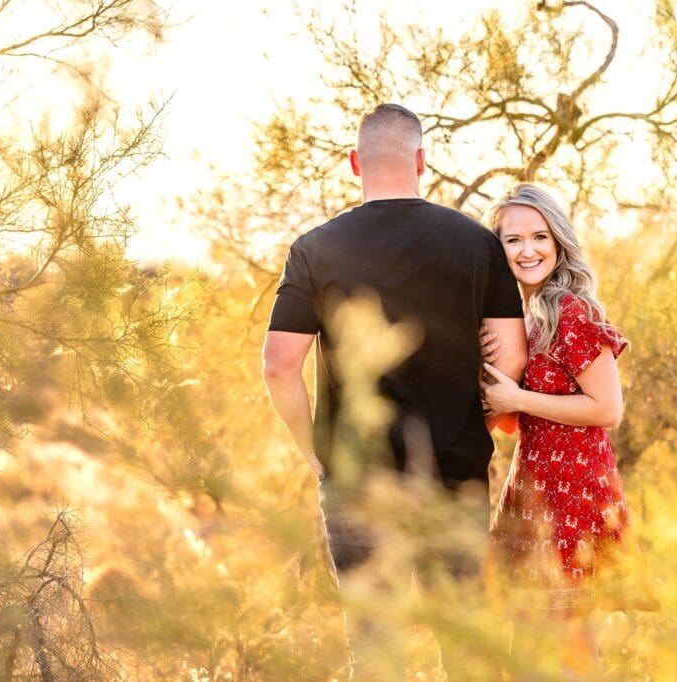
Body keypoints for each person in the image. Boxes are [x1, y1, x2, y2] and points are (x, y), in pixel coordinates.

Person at [262, 103, 527, 678]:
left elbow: (280, 366)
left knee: (375, 652)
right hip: (453, 477)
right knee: (463, 649)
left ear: (356, 162)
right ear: (422, 161)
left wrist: (318, 453)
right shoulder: (477, 244)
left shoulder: (315, 248)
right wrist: (474, 424)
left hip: (359, 479)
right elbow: (512, 355)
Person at [479, 183, 633, 673]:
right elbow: (509, 422)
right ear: (497, 249)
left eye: (539, 237)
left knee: (566, 641)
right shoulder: (526, 315)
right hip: (533, 484)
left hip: (573, 489)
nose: (528, 251)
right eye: (512, 240)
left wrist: (516, 396)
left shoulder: (573, 310)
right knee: (528, 644)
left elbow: (607, 409)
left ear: (559, 241)